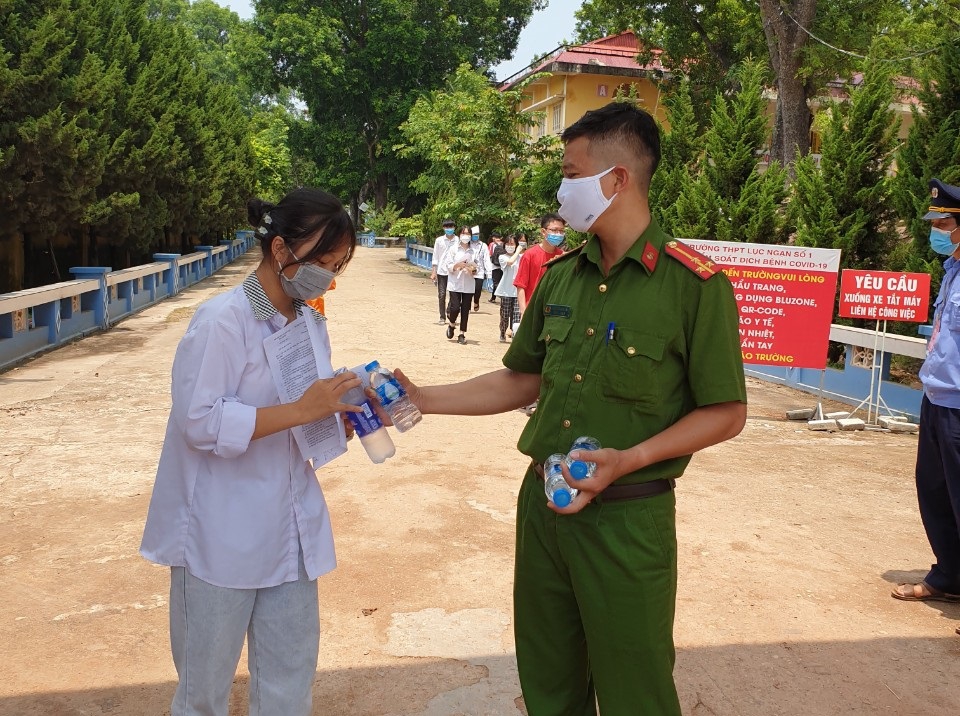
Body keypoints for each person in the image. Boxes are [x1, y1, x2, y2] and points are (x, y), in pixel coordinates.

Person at [385, 103, 747, 714]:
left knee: (637, 691)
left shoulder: (693, 286)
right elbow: (519, 379)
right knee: (549, 682)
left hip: (628, 521)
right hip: (544, 507)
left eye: (571, 173)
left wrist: (631, 458)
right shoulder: (560, 277)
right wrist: (425, 400)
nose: (561, 190)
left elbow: (726, 412)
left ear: (617, 180)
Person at [140, 188, 363, 716]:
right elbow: (200, 420)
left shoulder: (308, 321)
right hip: (220, 535)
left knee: (288, 684)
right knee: (204, 690)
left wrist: (338, 418)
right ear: (281, 249)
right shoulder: (222, 320)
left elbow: (303, 408)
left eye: (338, 266)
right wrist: (305, 410)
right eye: (322, 262)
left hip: (289, 532)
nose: (329, 277)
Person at [891, 177, 960, 610]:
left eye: (942, 222)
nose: (935, 229)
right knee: (935, 492)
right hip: (937, 398)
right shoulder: (952, 270)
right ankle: (951, 574)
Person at [514, 213, 566, 318]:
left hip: (554, 313)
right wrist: (523, 312)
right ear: (543, 231)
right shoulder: (529, 255)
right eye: (554, 230)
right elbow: (521, 286)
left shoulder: (563, 256)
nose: (558, 234)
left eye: (561, 231)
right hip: (532, 311)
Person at [440, 226, 479, 344]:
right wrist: (458, 265)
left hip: (468, 284)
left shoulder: (474, 251)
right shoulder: (453, 249)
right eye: (463, 233)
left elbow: (478, 268)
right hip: (455, 283)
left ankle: (462, 333)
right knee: (455, 307)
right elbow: (448, 265)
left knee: (465, 309)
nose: (465, 236)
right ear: (460, 235)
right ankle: (451, 324)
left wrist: (473, 269)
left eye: (468, 234)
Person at [495, 234, 522, 342]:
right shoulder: (502, 257)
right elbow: (510, 262)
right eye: (508, 244)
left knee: (516, 315)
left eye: (512, 244)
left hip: (517, 291)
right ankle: (502, 332)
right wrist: (517, 252)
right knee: (505, 315)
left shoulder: (521, 257)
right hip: (506, 290)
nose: (510, 246)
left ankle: (515, 335)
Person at [430, 218, 457, 324]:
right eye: (447, 227)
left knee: (453, 294)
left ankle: (449, 310)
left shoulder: (458, 241)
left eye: (451, 227)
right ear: (443, 228)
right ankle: (442, 316)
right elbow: (435, 256)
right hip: (441, 271)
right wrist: (434, 271)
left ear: (454, 228)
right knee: (441, 294)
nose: (449, 229)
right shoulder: (439, 240)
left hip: (454, 272)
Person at [471, 228, 493, 311]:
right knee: (468, 290)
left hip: (479, 272)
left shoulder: (483, 246)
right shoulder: (468, 244)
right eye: (473, 234)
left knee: (477, 290)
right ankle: (466, 306)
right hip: (468, 271)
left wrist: (489, 274)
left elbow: (486, 260)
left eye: (476, 234)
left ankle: (476, 301)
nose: (475, 236)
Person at [488, 230, 505, 301]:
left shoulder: (492, 244)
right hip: (503, 266)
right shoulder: (504, 244)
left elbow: (490, 254)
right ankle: (494, 298)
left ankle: (498, 296)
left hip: (494, 266)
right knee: (501, 281)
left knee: (495, 282)